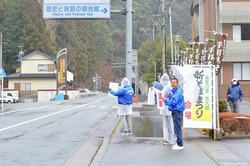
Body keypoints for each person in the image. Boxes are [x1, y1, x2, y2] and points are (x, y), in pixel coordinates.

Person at [161, 77, 185, 150]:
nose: (172, 84)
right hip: (175, 112)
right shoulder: (174, 91)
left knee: (177, 129)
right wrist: (170, 95)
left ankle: (180, 144)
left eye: (174, 83)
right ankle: (178, 143)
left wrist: (165, 100)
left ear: (177, 84)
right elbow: (173, 98)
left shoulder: (178, 92)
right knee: (177, 128)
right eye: (172, 83)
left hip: (177, 112)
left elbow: (173, 102)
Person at [153, 74, 174, 145]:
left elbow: (162, 95)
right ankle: (166, 138)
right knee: (165, 125)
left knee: (169, 125)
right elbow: (161, 94)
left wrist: (155, 90)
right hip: (165, 109)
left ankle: (170, 140)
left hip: (168, 109)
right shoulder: (166, 87)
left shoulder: (169, 87)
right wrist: (155, 90)